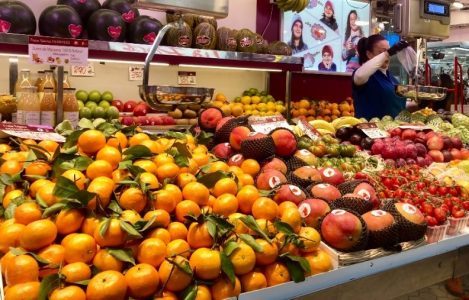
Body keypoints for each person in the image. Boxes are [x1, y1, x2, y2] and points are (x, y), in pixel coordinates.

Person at [352, 34, 410, 119]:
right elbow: (359, 76)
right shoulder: (364, 75)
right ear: (369, 54)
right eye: (382, 52)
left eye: (389, 51)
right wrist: (387, 53)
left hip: (392, 129)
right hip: (370, 130)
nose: (388, 56)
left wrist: (419, 104)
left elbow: (395, 103)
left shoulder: (391, 78)